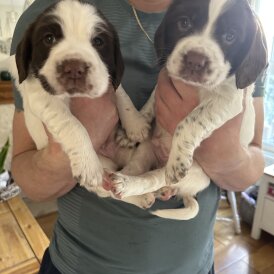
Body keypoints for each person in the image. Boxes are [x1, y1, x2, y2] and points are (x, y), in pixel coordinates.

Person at [10, 0, 265, 273]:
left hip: (193, 266)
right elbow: (29, 182)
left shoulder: (243, 20)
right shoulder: (48, 13)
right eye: (184, 23)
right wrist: (78, 143)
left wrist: (217, 149)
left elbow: (250, 167)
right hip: (76, 265)